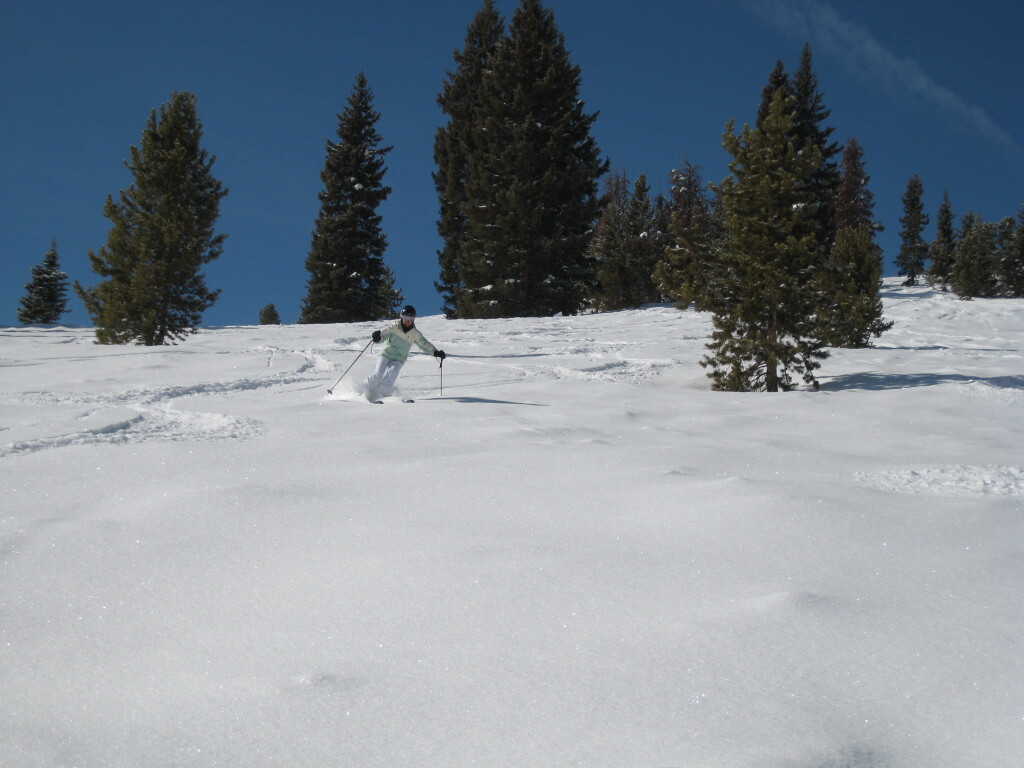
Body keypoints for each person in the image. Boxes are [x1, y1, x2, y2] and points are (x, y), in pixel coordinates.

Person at [360, 305, 445, 401]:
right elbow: (381, 336)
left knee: (392, 375)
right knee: (378, 374)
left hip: (399, 358)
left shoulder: (415, 333)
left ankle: (379, 395)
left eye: (411, 319)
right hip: (386, 354)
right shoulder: (394, 327)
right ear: (402, 318)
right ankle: (360, 390)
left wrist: (436, 352)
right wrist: (377, 336)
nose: (408, 322)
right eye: (406, 319)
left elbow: (424, 344)